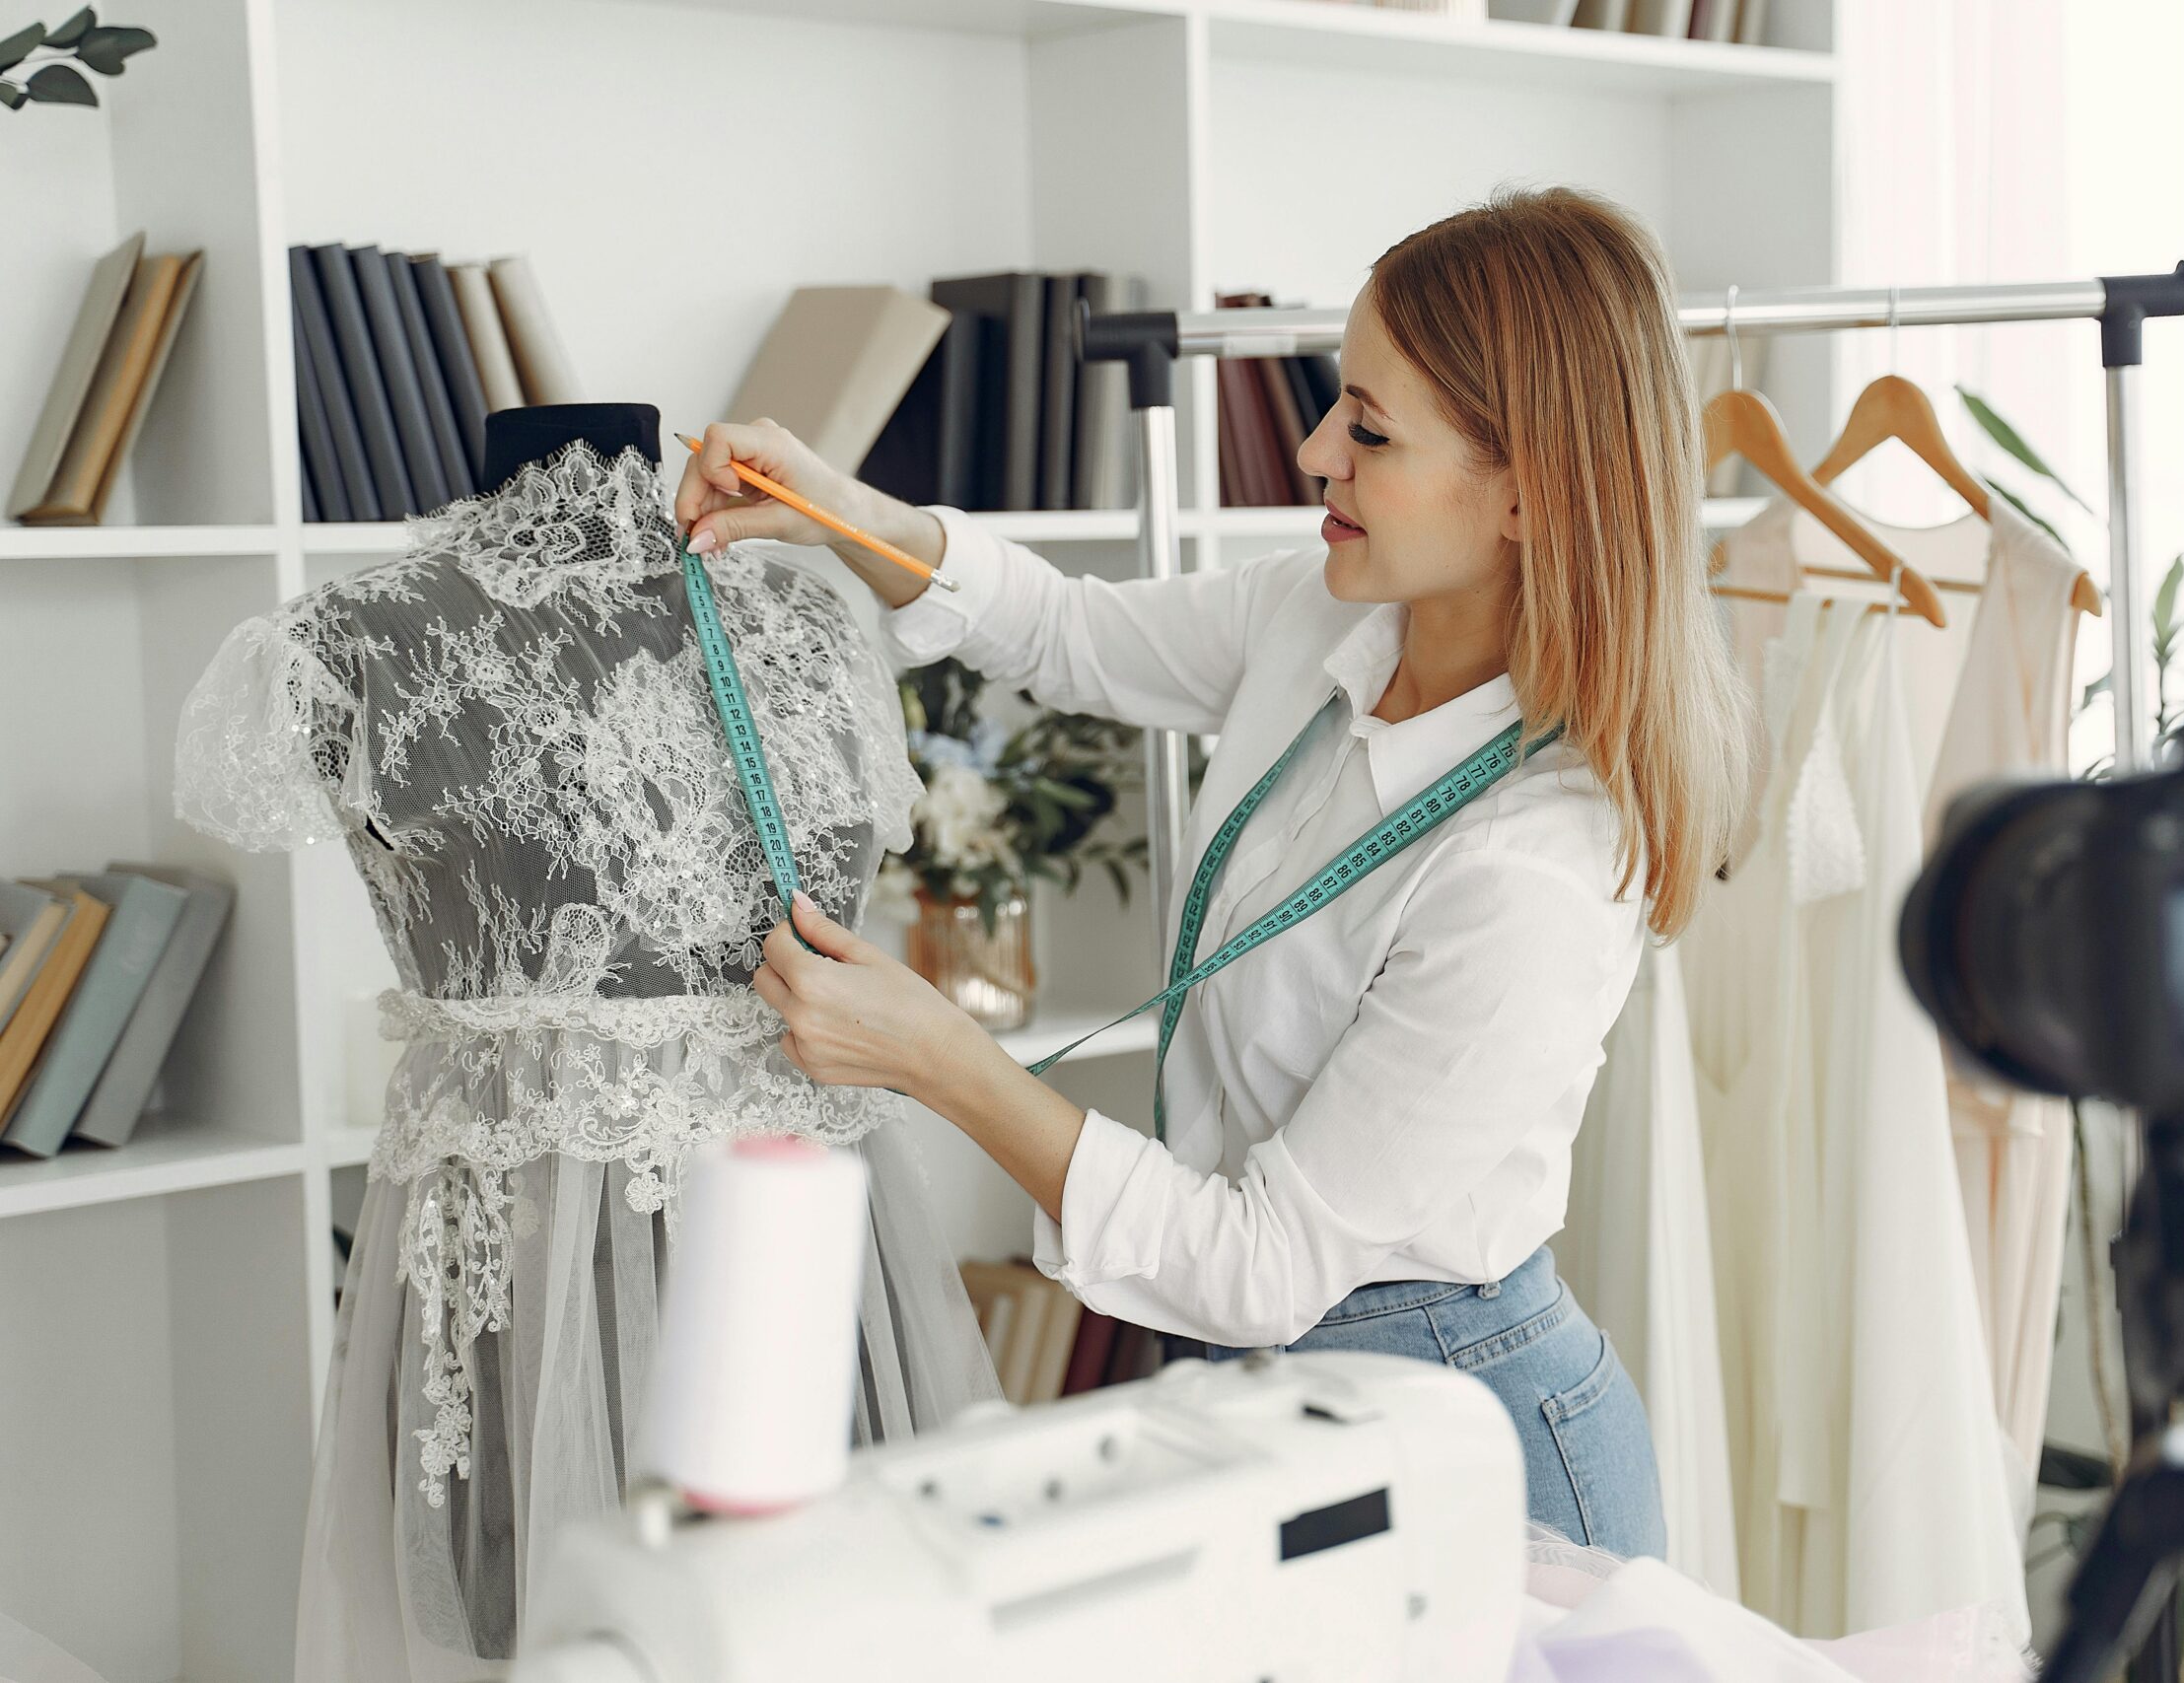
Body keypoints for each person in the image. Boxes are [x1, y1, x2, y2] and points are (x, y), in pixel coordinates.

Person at [677, 185, 1748, 1558]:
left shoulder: (1536, 871)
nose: (1312, 453)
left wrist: (938, 1057)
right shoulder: (1321, 617)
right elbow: (1062, 629)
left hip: (1467, 1451)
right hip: (1270, 1401)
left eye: (1367, 428)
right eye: (1331, 406)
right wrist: (835, 510)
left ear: (1532, 490)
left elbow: (1266, 1262)